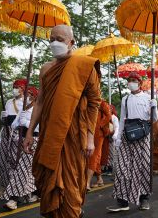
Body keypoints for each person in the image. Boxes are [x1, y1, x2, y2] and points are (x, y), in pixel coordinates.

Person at [23, 25, 101, 218]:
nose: (54, 43)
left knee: (71, 181)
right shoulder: (46, 69)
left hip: (74, 134)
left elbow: (94, 103)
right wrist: (29, 132)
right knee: (48, 181)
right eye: (51, 39)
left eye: (59, 39)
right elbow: (40, 102)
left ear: (71, 42)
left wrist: (90, 138)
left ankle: (72, 212)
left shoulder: (84, 66)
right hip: (49, 133)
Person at [107, 72, 158, 212]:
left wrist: (155, 106)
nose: (131, 82)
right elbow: (123, 118)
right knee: (123, 167)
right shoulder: (125, 99)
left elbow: (154, 119)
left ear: (140, 83)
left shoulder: (149, 98)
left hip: (143, 136)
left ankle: (144, 199)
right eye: (129, 80)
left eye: (134, 80)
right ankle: (122, 201)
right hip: (127, 135)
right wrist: (118, 137)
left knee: (143, 167)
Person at [0, 86, 40, 210]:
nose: (26, 97)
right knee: (23, 170)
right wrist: (6, 119)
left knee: (22, 169)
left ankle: (13, 199)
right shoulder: (23, 110)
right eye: (26, 94)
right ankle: (32, 193)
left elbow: (40, 128)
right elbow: (13, 125)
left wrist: (27, 123)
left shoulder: (37, 110)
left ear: (34, 97)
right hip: (19, 142)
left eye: (29, 95)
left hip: (32, 141)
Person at [0, 79, 26, 197]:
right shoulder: (9, 102)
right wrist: (3, 117)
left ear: (23, 88)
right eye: (14, 86)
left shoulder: (26, 102)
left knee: (15, 161)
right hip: (6, 132)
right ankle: (4, 186)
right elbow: (3, 120)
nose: (15, 89)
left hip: (18, 134)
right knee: (3, 159)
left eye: (17, 86)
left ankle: (15, 188)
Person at [87, 99, 111, 190]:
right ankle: (99, 179)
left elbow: (109, 115)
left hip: (98, 133)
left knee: (94, 156)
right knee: (94, 156)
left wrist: (100, 125)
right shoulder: (84, 100)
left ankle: (87, 182)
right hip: (87, 131)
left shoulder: (101, 102)